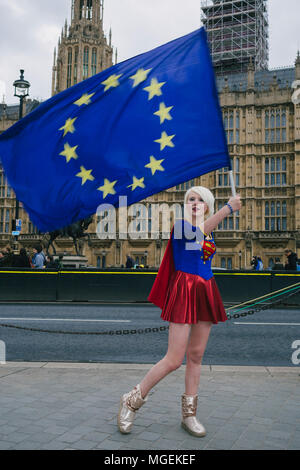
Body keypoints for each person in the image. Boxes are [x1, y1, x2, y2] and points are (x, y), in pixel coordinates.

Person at [117, 186, 241, 438]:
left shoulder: (207, 232)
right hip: (185, 290)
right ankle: (131, 400)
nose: (194, 203)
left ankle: (189, 415)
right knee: (174, 359)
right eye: (190, 199)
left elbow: (204, 242)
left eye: (199, 200)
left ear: (206, 205)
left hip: (205, 289)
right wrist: (228, 209)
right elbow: (197, 234)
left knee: (195, 357)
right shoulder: (182, 227)